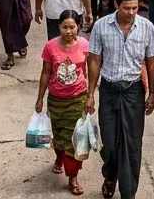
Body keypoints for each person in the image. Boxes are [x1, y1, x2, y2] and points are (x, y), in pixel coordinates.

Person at [86, 0, 154, 199]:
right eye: (126, 8)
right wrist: (90, 93)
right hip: (108, 91)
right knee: (108, 143)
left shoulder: (146, 27)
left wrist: (152, 94)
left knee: (132, 144)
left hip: (133, 92)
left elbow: (152, 61)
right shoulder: (101, 26)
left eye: (135, 8)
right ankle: (110, 175)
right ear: (116, 5)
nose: (131, 13)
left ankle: (128, 192)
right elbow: (94, 60)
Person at [36, 11, 90, 196]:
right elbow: (45, 73)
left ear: (78, 27)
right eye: (65, 27)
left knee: (74, 140)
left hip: (77, 99)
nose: (68, 31)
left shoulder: (84, 45)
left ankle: (72, 177)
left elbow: (88, 71)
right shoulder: (50, 47)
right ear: (59, 27)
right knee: (58, 137)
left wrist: (90, 96)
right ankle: (59, 159)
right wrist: (40, 98)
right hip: (56, 100)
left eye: (72, 27)